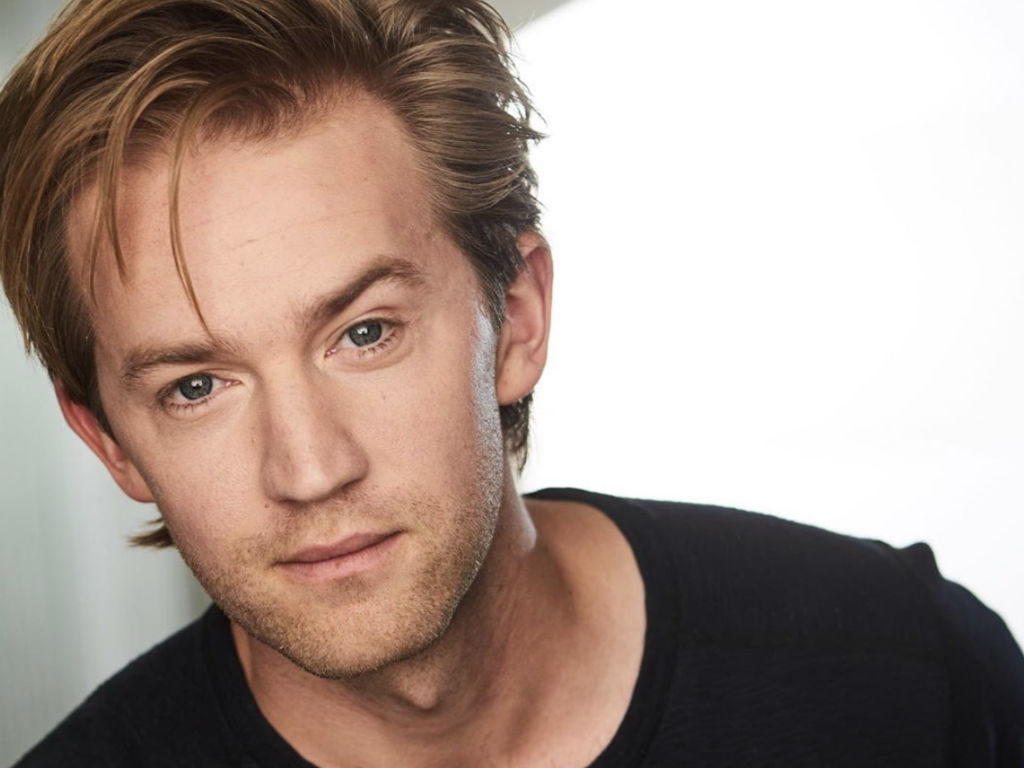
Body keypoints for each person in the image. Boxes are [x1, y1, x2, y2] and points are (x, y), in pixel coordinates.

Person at [1, 0, 1022, 765]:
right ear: (111, 443)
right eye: (195, 387)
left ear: (516, 321)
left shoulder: (899, 673)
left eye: (364, 332)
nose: (309, 468)